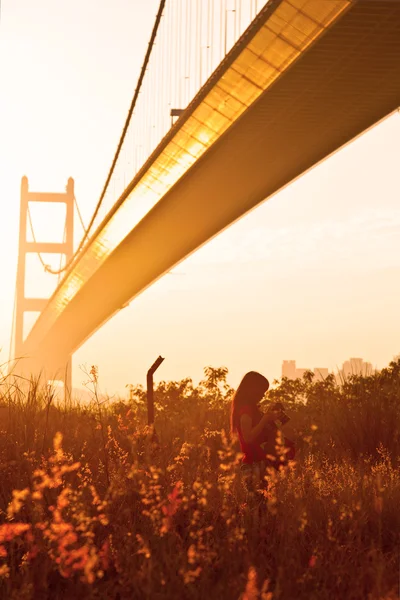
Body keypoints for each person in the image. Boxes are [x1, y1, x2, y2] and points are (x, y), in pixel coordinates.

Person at [230, 371, 295, 489]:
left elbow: (261, 431)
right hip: (253, 464)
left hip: (261, 462)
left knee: (264, 503)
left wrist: (271, 417)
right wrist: (265, 419)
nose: (263, 395)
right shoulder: (245, 411)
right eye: (262, 392)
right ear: (253, 390)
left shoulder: (252, 410)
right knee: (256, 504)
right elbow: (248, 438)